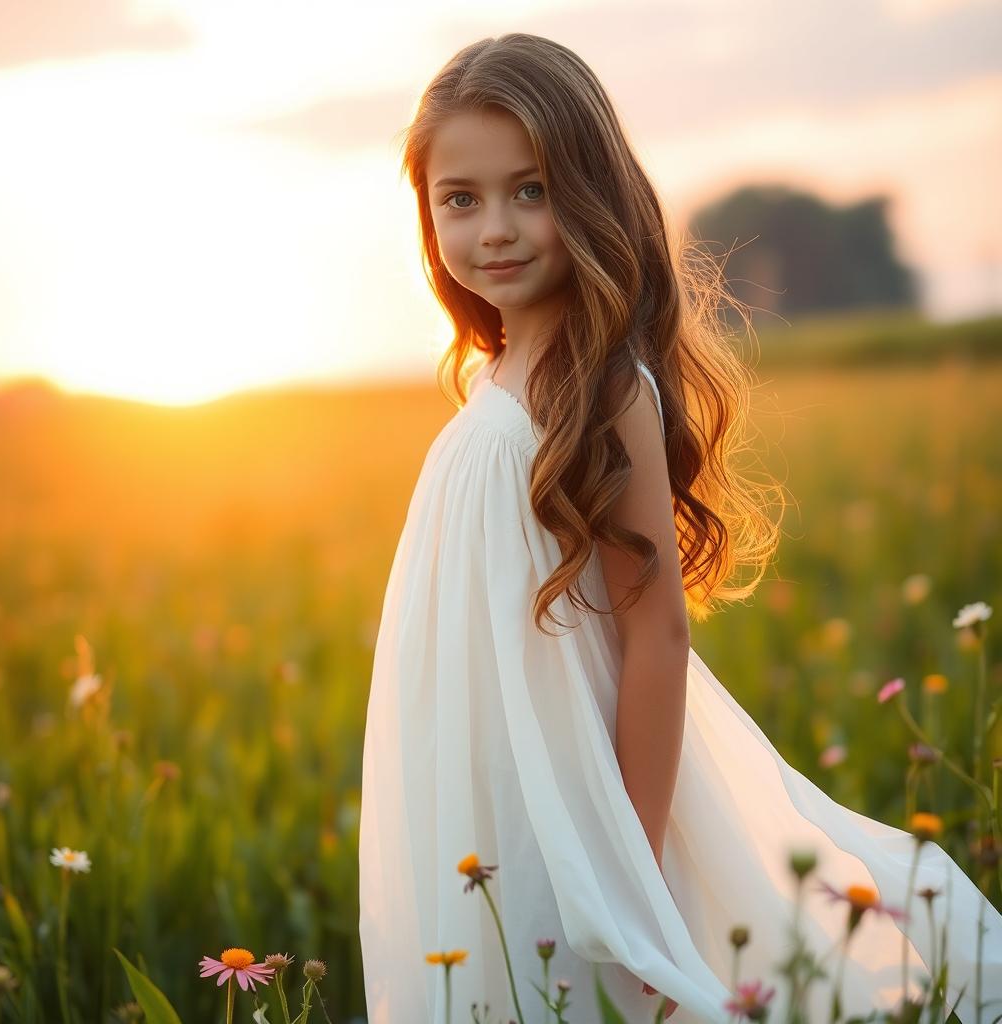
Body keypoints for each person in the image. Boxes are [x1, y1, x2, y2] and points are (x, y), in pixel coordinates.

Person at [358, 32, 1001, 1024]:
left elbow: (654, 631)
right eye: (461, 198)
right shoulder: (493, 383)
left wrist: (631, 877)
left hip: (584, 787)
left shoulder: (600, 384)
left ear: (591, 191)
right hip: (495, 765)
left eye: (530, 189)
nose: (495, 227)